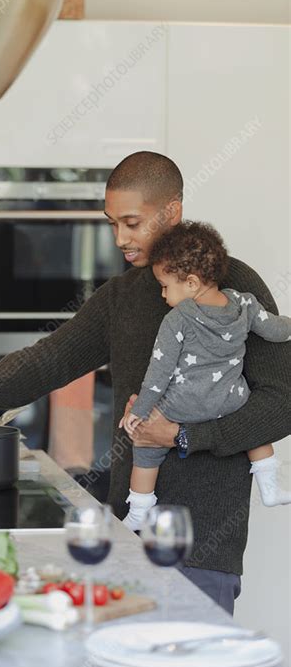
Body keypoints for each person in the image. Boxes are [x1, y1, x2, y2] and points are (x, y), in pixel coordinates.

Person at [0, 151, 290, 615]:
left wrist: (183, 436)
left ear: (171, 212)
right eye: (112, 223)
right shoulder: (123, 295)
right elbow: (53, 357)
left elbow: (282, 402)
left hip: (201, 544)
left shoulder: (234, 285)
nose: (120, 238)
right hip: (128, 533)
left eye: (132, 223)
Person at [119, 221, 291, 531]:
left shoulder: (178, 319)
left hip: (183, 405)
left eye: (166, 285)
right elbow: (276, 329)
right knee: (254, 427)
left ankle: (140, 507)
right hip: (230, 401)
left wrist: (140, 412)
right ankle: (270, 486)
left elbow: (158, 375)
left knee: (145, 444)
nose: (162, 293)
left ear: (192, 283)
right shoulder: (244, 304)